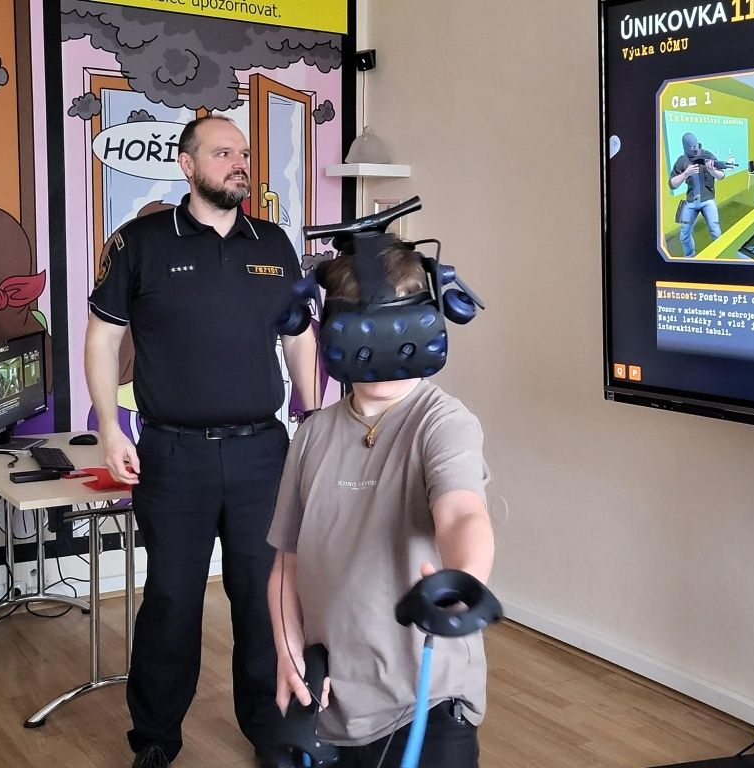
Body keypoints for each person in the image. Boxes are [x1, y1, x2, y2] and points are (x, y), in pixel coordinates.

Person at [84, 115, 318, 768]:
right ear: (187, 165)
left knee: (265, 603)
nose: (239, 162)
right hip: (173, 455)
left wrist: (314, 415)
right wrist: (109, 426)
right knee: (172, 602)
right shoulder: (141, 242)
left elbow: (298, 335)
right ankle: (155, 739)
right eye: (222, 153)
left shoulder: (273, 242)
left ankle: (272, 732)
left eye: (243, 153)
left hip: (261, 455)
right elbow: (102, 338)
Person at [266, 239, 495, 768]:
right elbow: (287, 562)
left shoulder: (443, 423)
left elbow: (463, 512)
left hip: (427, 701)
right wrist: (288, 649)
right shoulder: (312, 435)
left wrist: (463, 583)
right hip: (335, 703)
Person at [669, 132, 725, 258]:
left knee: (715, 231)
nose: (694, 149)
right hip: (691, 201)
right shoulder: (682, 160)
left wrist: (713, 171)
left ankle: (720, 258)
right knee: (684, 235)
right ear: (685, 147)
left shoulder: (707, 155)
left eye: (695, 146)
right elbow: (672, 184)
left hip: (708, 199)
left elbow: (721, 176)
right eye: (691, 147)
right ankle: (690, 258)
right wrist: (685, 174)